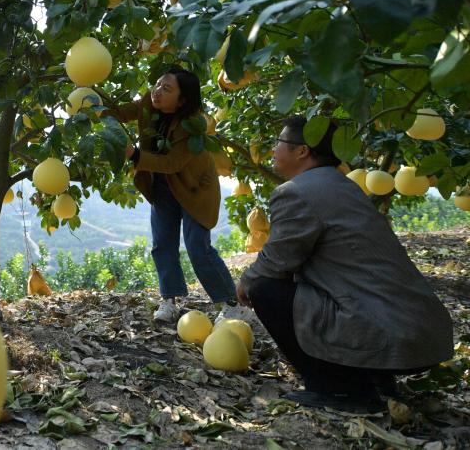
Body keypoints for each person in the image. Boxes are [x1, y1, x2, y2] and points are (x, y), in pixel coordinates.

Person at [237, 116, 454, 414]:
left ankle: (341, 389)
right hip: (421, 334)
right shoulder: (345, 186)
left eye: (279, 142)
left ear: (302, 151)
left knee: (263, 289)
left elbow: (276, 260)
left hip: (387, 332)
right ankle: (373, 379)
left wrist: (245, 282)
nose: (273, 149)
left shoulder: (296, 192)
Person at [110, 66, 243, 323]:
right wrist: (92, 105)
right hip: (162, 186)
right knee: (163, 245)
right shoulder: (150, 104)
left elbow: (172, 163)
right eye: (158, 84)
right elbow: (121, 111)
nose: (157, 91)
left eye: (166, 89)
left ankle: (231, 303)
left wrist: (135, 155)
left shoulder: (190, 126)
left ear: (182, 100)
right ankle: (169, 299)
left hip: (194, 188)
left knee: (198, 247)